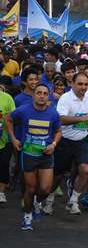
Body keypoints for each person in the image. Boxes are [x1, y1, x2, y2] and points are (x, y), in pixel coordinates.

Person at [5, 84, 61, 230]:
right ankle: (27, 217)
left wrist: (53, 144)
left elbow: (58, 131)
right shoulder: (24, 110)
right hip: (28, 154)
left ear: (48, 96)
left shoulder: (53, 113)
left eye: (44, 93)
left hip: (46, 155)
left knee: (45, 189)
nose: (42, 95)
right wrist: (14, 138)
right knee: (30, 188)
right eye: (39, 93)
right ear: (34, 95)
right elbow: (8, 119)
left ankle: (37, 201)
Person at [43, 73, 88, 215]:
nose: (83, 87)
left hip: (83, 139)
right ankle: (49, 199)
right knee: (58, 175)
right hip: (65, 140)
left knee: (84, 169)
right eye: (80, 84)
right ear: (72, 83)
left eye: (86, 84)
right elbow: (60, 119)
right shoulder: (65, 98)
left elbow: (86, 116)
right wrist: (83, 118)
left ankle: (73, 200)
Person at [0, 87, 15, 203]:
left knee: (4, 166)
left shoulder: (7, 98)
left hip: (4, 140)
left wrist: (5, 118)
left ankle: (1, 192)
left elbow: (13, 117)